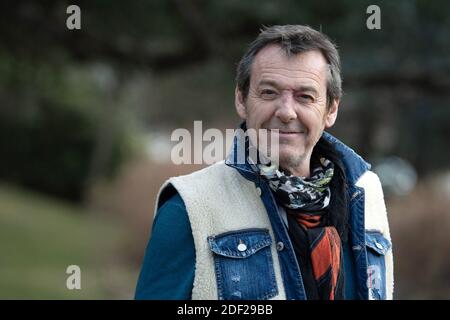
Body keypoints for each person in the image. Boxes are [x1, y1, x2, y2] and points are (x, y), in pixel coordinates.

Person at [135, 25, 393, 300]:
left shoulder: (367, 192)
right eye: (269, 92)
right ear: (241, 100)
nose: (285, 112)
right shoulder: (188, 208)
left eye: (305, 96)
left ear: (331, 109)